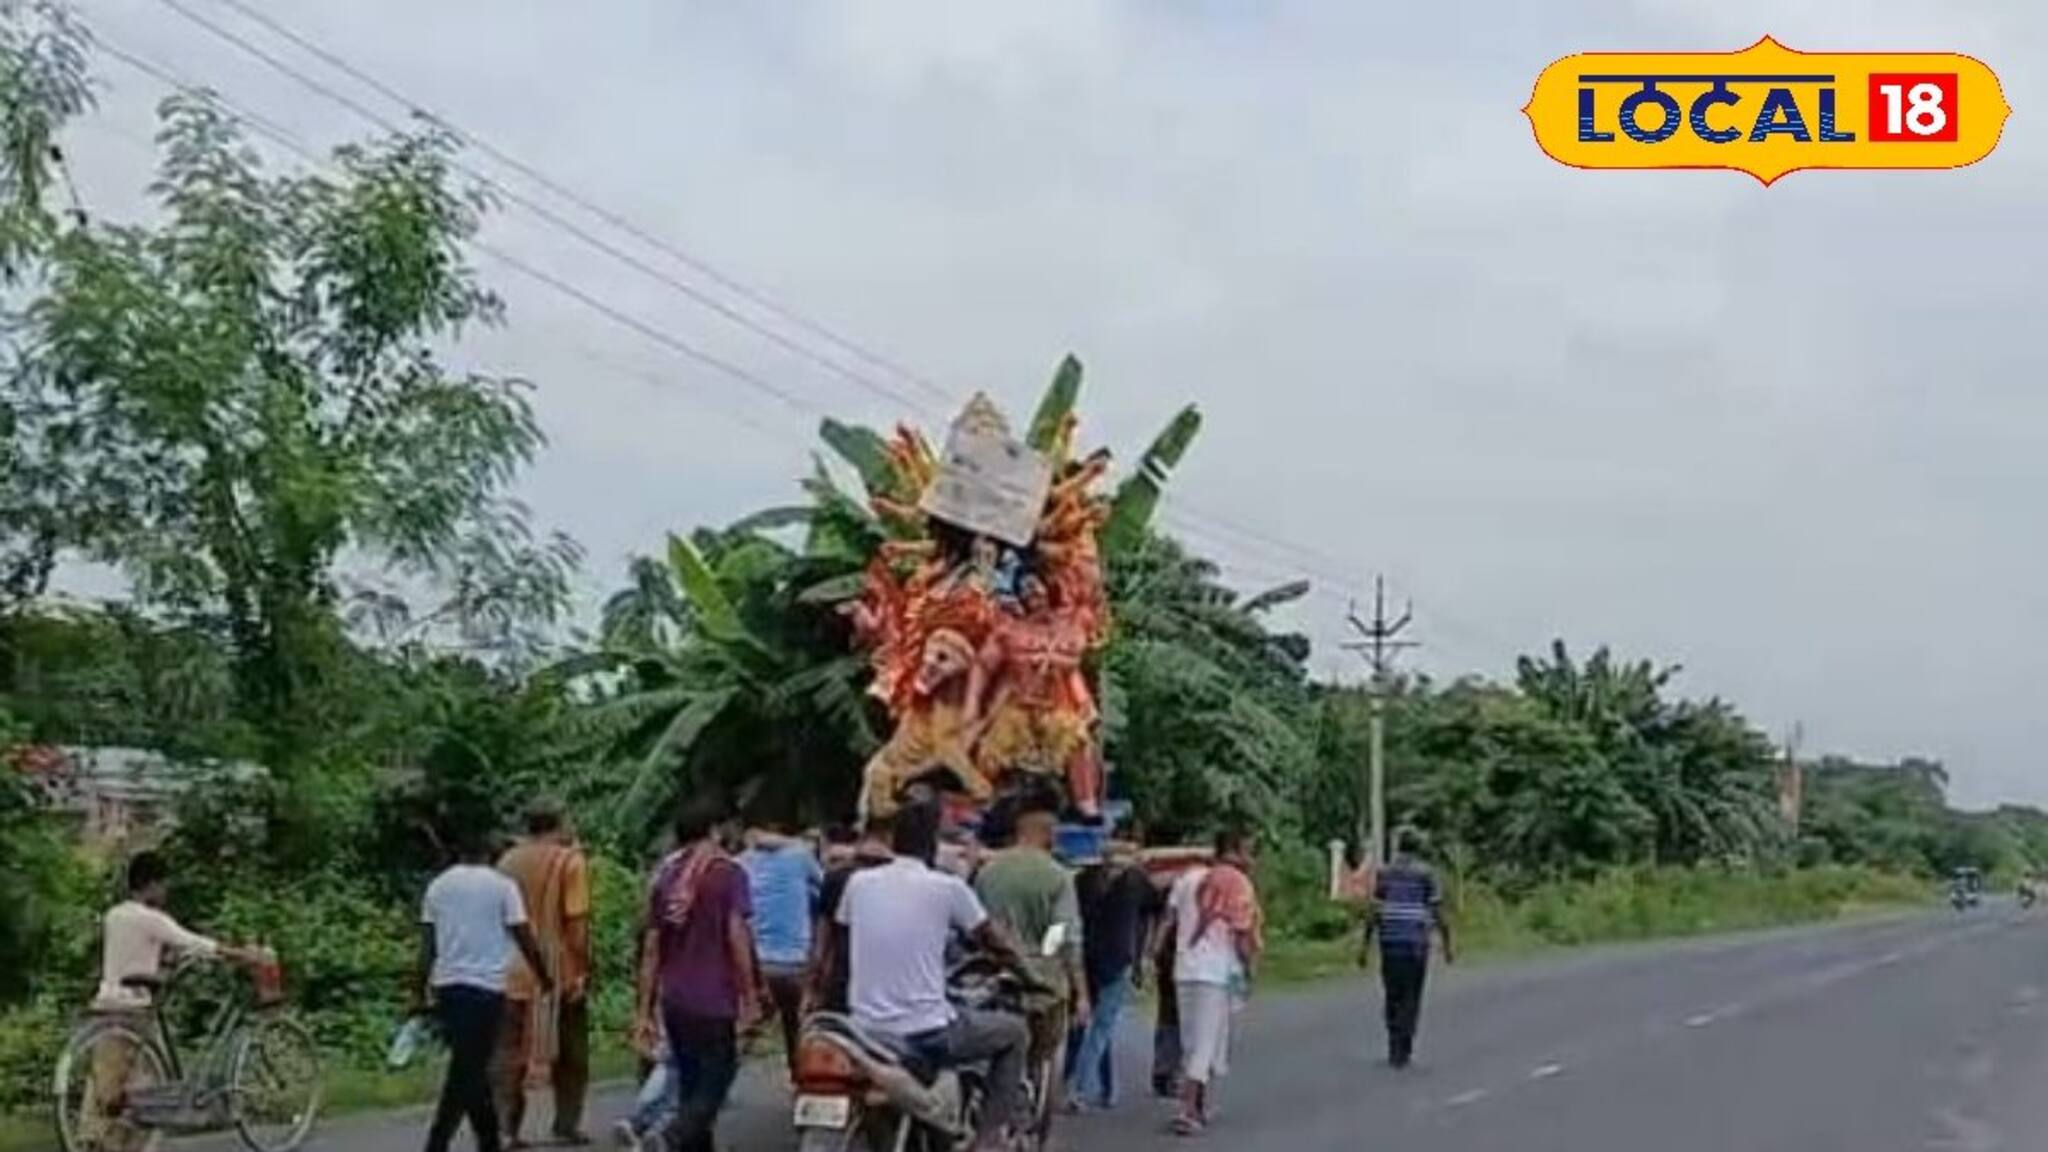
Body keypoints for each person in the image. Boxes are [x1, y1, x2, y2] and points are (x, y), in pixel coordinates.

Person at [838, 789, 1031, 1152]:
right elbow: (995, 941)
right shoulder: (948, 888)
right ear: (934, 842)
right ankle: (990, 1137)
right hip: (925, 1032)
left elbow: (840, 945)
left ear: (893, 839)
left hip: (864, 1030)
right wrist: (1028, 973)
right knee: (1015, 1033)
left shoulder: (858, 884)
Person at [87, 852, 266, 1149]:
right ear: (152, 885)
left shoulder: (114, 915)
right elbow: (194, 942)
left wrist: (166, 958)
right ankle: (129, 1142)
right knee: (144, 1083)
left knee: (105, 1077)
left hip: (106, 1003)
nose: (166, 892)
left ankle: (91, 1137)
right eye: (163, 885)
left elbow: (140, 948)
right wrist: (241, 954)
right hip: (135, 1006)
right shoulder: (153, 919)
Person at [417, 828, 553, 1152]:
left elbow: (427, 946)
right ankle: (445, 1142)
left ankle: (478, 1141)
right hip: (486, 988)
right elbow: (524, 935)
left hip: (448, 986)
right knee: (469, 1069)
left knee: (467, 1066)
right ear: (491, 856)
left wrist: (417, 990)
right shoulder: (503, 887)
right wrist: (543, 976)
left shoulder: (438, 886)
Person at [635, 799, 759, 1152]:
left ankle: (687, 1143)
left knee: (690, 1086)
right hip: (714, 999)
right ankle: (669, 1137)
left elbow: (651, 948)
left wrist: (644, 1009)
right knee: (714, 1084)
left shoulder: (665, 877)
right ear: (714, 831)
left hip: (675, 1000)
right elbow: (737, 937)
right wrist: (749, 997)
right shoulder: (728, 874)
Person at [973, 789, 1088, 1125]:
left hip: (992, 975)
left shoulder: (988, 873)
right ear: (1046, 833)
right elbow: (1063, 932)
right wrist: (1053, 963)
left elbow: (977, 924)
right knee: (1043, 1049)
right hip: (1041, 983)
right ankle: (1029, 1089)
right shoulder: (1057, 876)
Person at [493, 803, 593, 1146]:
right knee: (571, 1052)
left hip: (508, 967)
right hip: (556, 970)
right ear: (559, 824)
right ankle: (566, 1122)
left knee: (508, 1053)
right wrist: (582, 970)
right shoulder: (570, 861)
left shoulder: (507, 862)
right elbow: (576, 925)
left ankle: (506, 1128)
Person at [1163, 829, 1263, 1137]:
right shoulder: (1237, 883)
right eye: (1247, 851)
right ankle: (1188, 1109)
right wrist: (1249, 967)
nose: (1251, 859)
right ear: (1232, 851)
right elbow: (1242, 932)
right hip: (1217, 971)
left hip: (1185, 968)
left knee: (1192, 1041)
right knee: (1209, 1042)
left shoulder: (1188, 878)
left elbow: (1169, 921)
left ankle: (1200, 1105)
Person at [1067, 840, 1153, 1110]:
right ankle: (1079, 1088)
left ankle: (1104, 1087)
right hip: (1117, 959)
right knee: (1102, 1028)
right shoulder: (1135, 882)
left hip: (1086, 957)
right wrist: (1144, 957)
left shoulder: (1083, 880)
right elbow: (1155, 908)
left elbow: (1065, 918)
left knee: (1085, 1026)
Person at [737, 815, 823, 1078]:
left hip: (756, 963)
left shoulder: (740, 863)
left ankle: (719, 1076)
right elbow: (825, 888)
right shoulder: (800, 856)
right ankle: (800, 1077)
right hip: (795, 963)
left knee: (747, 1027)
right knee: (798, 1023)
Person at [1360, 828, 1454, 1069]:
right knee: (1411, 995)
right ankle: (1404, 1045)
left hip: (1389, 942)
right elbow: (1437, 910)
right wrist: (1447, 943)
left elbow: (1374, 911)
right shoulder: (1426, 874)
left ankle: (1394, 1041)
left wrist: (1364, 946)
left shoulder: (1385, 873)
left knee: (1393, 993)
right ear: (1418, 849)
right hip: (1415, 943)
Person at [810, 817, 894, 1015]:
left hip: (845, 982)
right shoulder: (912, 881)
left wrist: (814, 987)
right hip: (891, 988)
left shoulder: (837, 878)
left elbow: (822, 943)